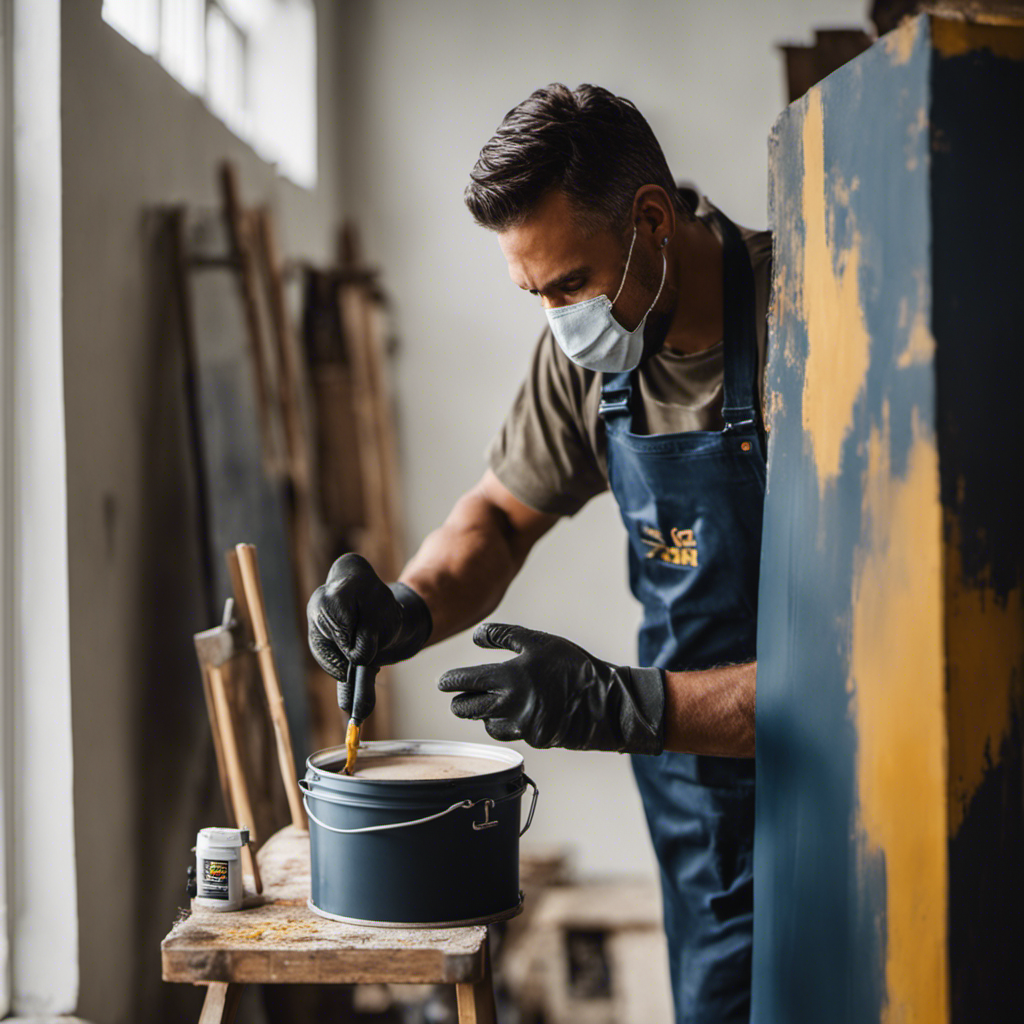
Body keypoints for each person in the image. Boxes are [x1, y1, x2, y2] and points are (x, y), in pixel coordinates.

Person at [307, 83, 770, 1024]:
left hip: (844, 768)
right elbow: (500, 516)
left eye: (568, 286)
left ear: (651, 219)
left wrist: (618, 701)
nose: (560, 321)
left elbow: (866, 672)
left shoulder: (812, 314)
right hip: (696, 784)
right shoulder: (590, 355)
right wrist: (410, 604)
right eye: (535, 296)